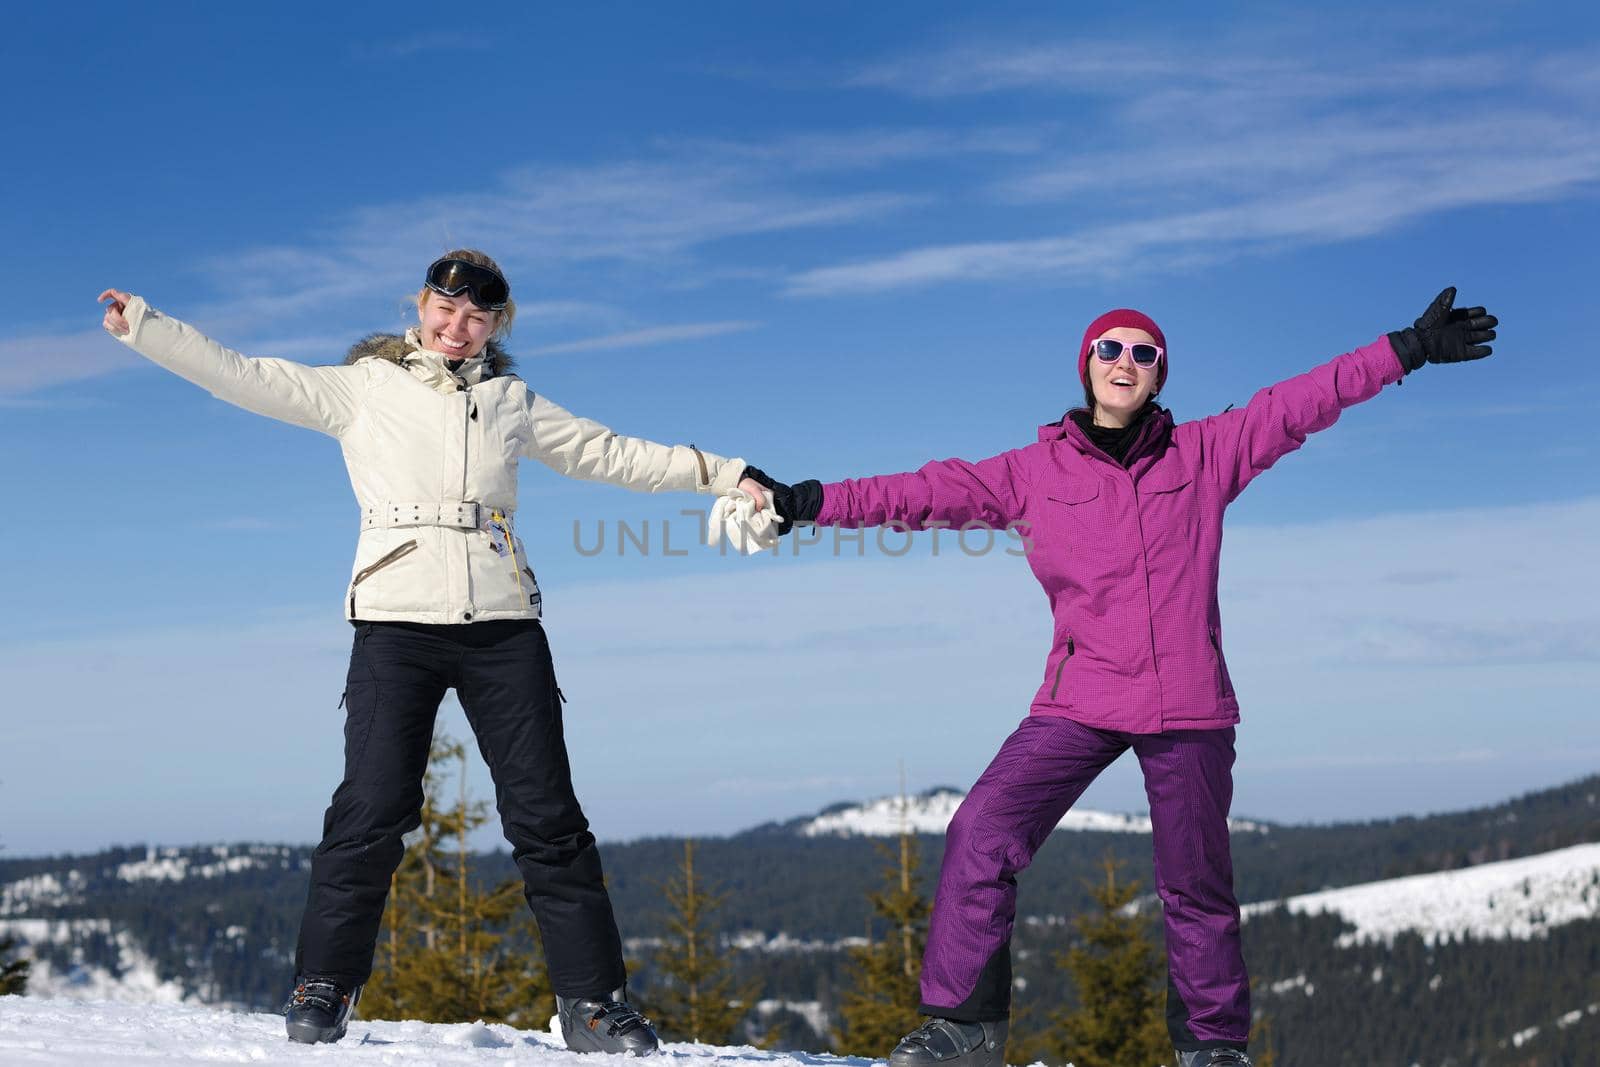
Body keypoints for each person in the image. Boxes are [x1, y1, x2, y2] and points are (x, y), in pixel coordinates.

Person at [744, 289, 1497, 1067]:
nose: (1125, 362)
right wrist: (806, 501)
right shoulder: (1031, 472)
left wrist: (1405, 349)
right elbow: (921, 493)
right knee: (982, 828)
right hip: (1083, 695)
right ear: (1087, 366)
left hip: (1188, 700)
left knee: (1195, 880)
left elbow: (1302, 400)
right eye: (1111, 349)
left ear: (1160, 374)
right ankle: (965, 1026)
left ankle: (1212, 1047)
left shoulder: (1208, 451)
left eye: (1144, 353)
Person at [99, 250, 770, 1049]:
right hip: (395, 622)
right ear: (419, 307)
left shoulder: (510, 399)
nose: (458, 329)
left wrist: (728, 472)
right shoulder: (363, 388)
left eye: (477, 317)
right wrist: (147, 328)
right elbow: (244, 374)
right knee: (373, 808)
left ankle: (593, 1003)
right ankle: (324, 984)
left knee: (548, 817)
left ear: (496, 324)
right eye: (445, 311)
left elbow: (614, 452)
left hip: (503, 624)